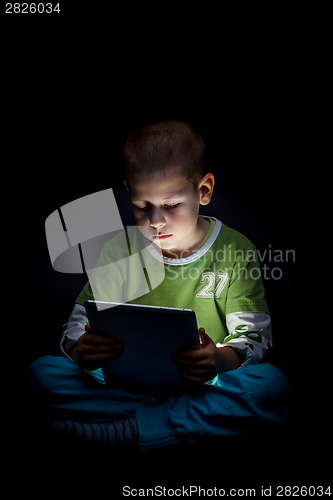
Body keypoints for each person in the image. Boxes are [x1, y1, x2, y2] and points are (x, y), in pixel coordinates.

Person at [27, 119, 289, 450]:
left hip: (203, 383)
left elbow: (254, 338)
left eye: (170, 205)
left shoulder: (235, 250)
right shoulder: (119, 249)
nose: (155, 220)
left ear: (203, 191)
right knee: (40, 375)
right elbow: (78, 326)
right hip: (124, 382)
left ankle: (129, 430)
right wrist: (82, 348)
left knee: (269, 384)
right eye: (141, 206)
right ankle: (177, 421)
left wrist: (219, 359)